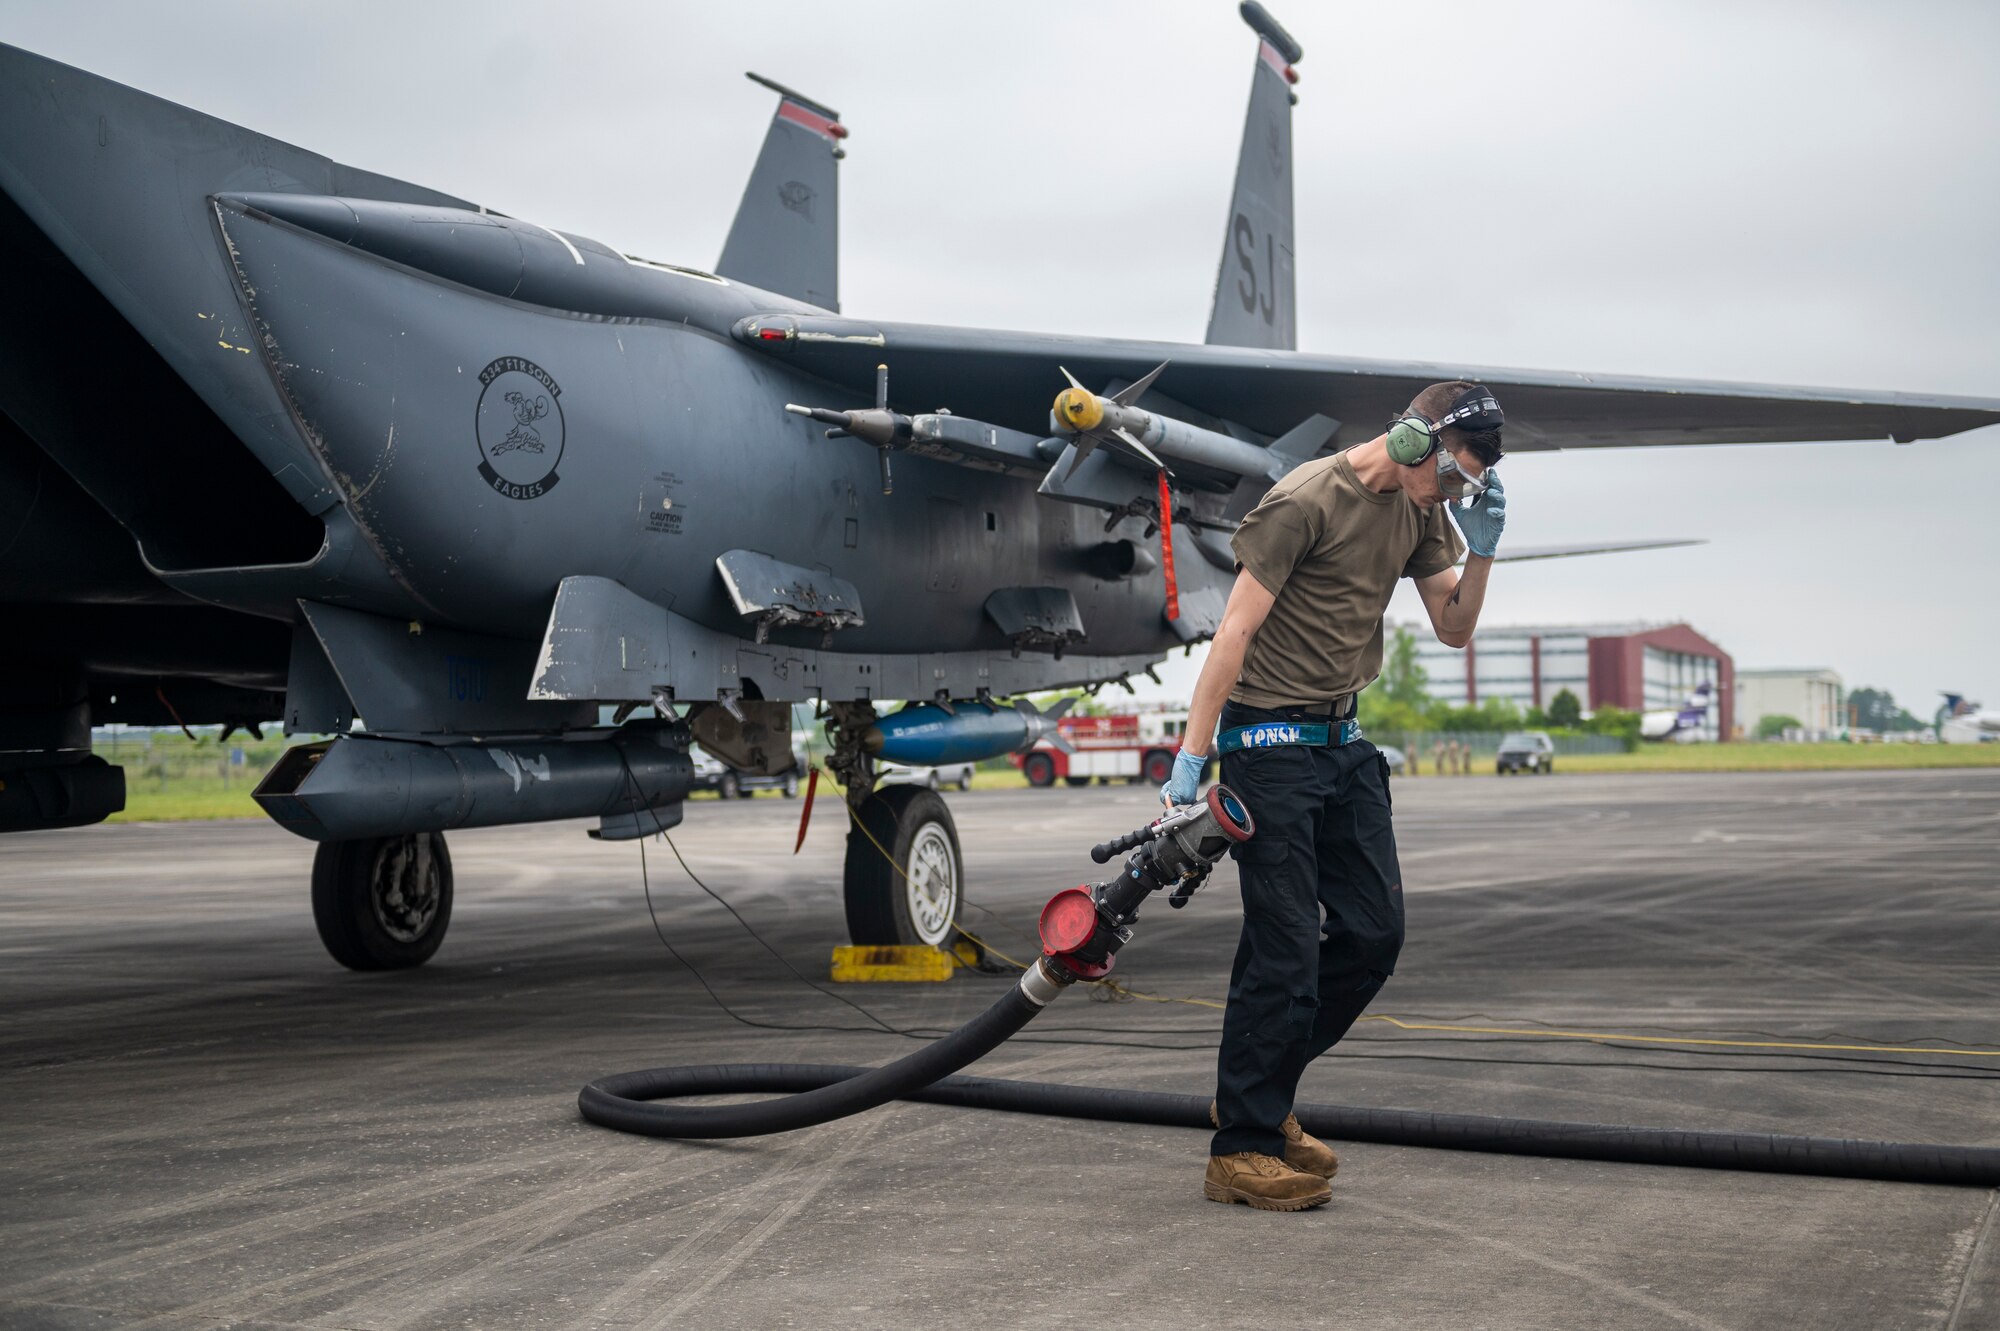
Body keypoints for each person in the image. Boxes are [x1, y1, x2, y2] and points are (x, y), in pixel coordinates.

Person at [1161, 381, 1507, 1211]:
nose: (1454, 498)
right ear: (1415, 440)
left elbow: (1454, 627)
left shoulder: (1423, 512)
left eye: (1469, 490)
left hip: (1342, 742)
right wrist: (1190, 759)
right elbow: (1233, 632)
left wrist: (1485, 548)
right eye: (1452, 479)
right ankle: (1241, 1145)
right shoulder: (1305, 500)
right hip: (1268, 744)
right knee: (1284, 951)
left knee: (1374, 934)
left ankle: (1259, 1089)